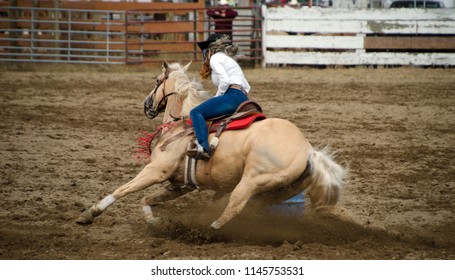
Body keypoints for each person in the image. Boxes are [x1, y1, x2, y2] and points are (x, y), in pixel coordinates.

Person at [187, 33, 250, 161]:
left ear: (210, 49)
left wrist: (217, 96)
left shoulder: (215, 58)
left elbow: (225, 81)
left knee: (196, 112)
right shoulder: (229, 60)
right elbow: (247, 86)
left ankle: (203, 147)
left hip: (232, 95)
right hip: (243, 98)